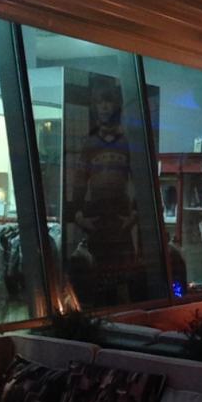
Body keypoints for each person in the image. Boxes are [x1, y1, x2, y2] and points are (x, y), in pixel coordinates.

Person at [71, 81, 138, 306]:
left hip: (120, 215)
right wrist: (78, 213)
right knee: (97, 275)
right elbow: (80, 180)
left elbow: (139, 181)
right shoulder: (89, 143)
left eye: (108, 102)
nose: (104, 107)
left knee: (123, 278)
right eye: (100, 103)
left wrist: (134, 214)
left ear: (116, 106)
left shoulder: (127, 143)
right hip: (97, 215)